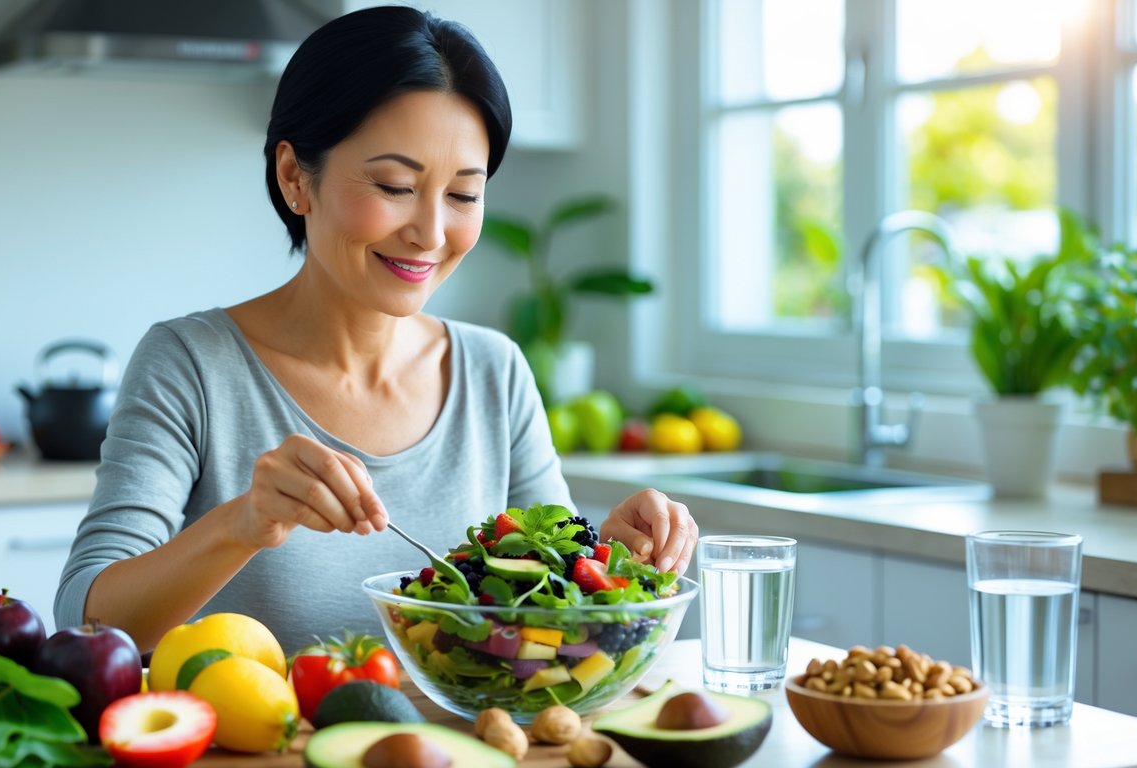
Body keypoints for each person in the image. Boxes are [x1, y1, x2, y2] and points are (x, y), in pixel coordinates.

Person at [55, 5, 699, 654]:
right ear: (292, 178)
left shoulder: (492, 371)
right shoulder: (190, 364)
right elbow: (85, 621)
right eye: (394, 184)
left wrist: (610, 557)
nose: (431, 232)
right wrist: (242, 523)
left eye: (463, 195)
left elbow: (548, 626)